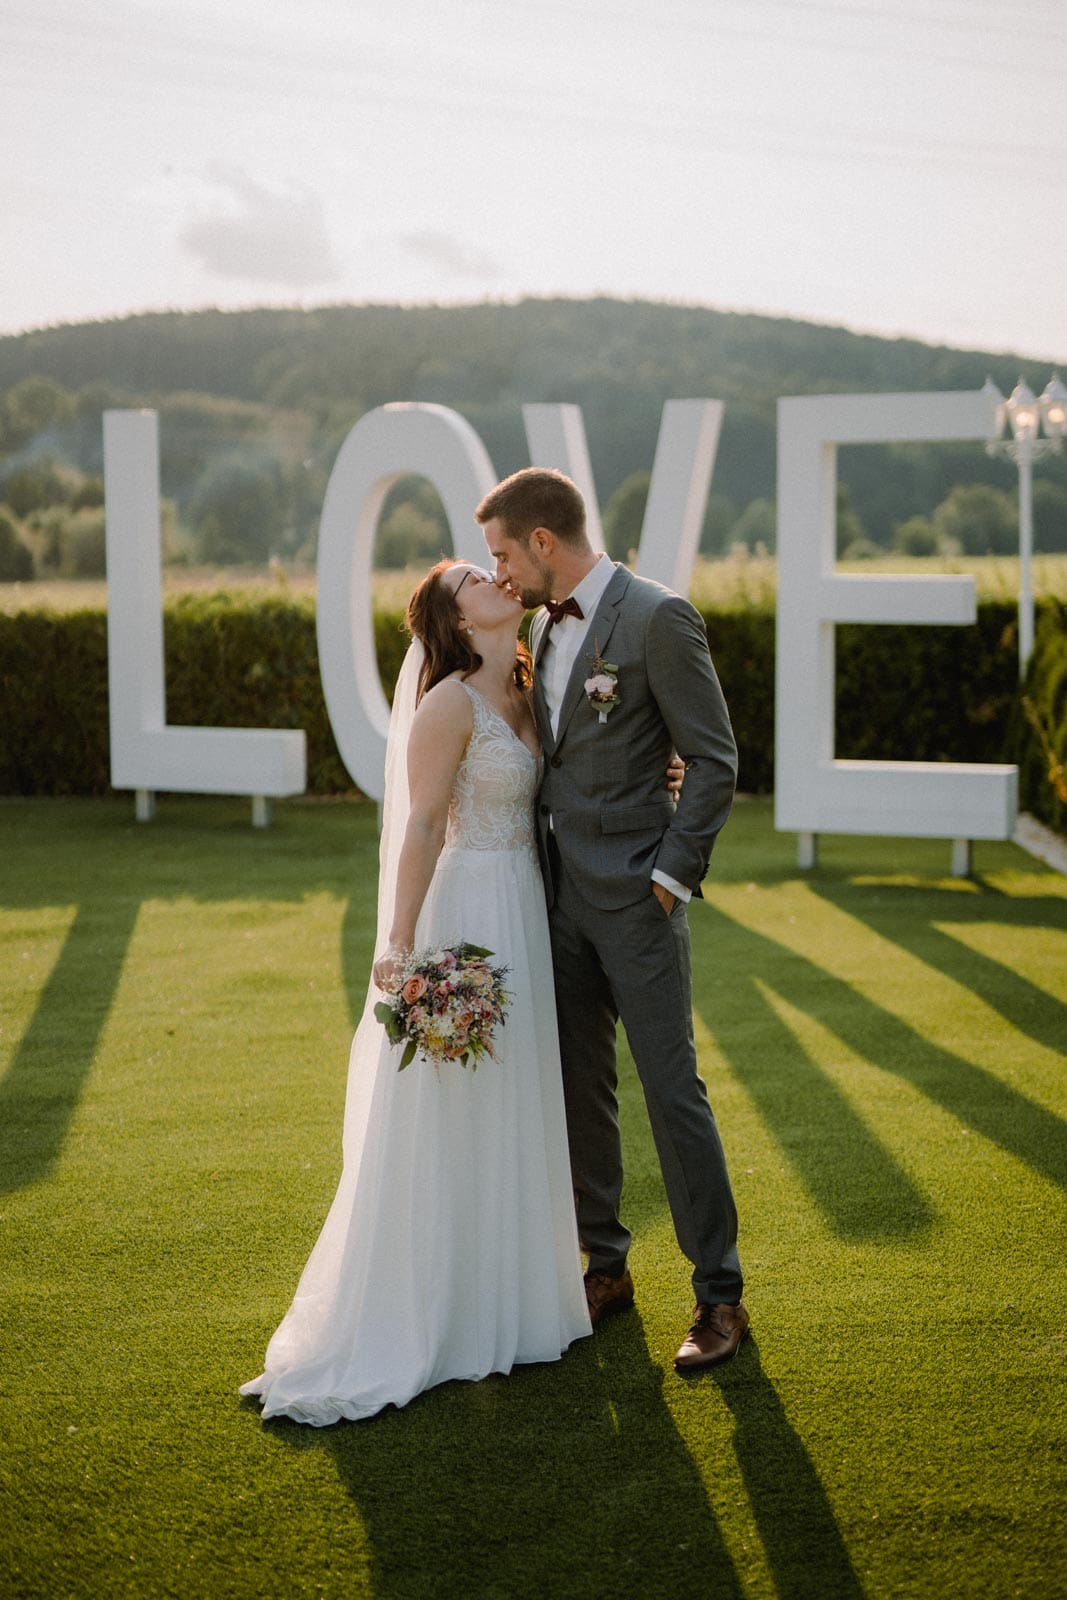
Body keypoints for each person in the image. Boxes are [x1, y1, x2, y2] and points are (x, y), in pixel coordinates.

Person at [241, 559, 592, 1425]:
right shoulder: (447, 704)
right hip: (468, 909)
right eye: (477, 576)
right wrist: (399, 943)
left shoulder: (529, 681)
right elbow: (424, 824)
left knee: (512, 1094)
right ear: (453, 616)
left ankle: (514, 1300)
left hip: (524, 905)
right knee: (451, 1102)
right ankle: (433, 1311)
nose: (500, 578)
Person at [477, 468, 748, 1371]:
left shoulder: (656, 617)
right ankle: (606, 1266)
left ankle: (719, 1296)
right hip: (554, 896)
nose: (503, 574)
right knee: (579, 1089)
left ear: (544, 542)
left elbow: (712, 759)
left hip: (637, 894)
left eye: (505, 554)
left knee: (672, 1092)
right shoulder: (536, 629)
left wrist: (669, 877)